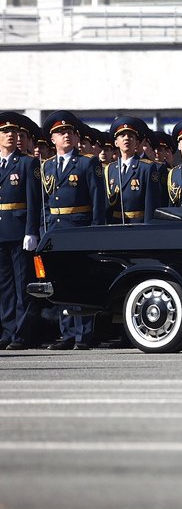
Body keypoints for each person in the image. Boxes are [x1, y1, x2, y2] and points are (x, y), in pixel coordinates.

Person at [41, 111, 106, 350]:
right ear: (53, 139)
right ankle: (66, 333)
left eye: (69, 132)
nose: (65, 135)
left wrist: (96, 231)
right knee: (61, 282)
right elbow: (44, 203)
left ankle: (83, 335)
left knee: (81, 282)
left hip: (80, 228)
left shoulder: (88, 162)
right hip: (57, 230)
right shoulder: (47, 166)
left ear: (76, 137)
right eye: (60, 132)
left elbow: (98, 201)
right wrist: (42, 229)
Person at [0, 112, 42, 349]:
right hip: (1, 230)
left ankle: (21, 333)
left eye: (13, 132)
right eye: (5, 132)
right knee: (4, 287)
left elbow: (33, 200)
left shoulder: (26, 163)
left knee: (22, 285)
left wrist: (31, 231)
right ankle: (7, 331)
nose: (10, 135)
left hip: (19, 231)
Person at [106, 116, 167, 224]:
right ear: (116, 142)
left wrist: (148, 228)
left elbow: (151, 203)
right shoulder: (110, 169)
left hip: (138, 225)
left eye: (130, 136)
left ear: (137, 143)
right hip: (115, 225)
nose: (126, 138)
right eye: (122, 135)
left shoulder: (147, 167)